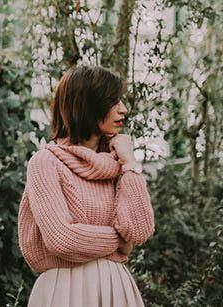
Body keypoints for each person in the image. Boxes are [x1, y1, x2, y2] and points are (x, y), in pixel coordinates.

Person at [18, 64, 155, 306]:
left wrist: (130, 163)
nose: (123, 109)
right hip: (65, 291)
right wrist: (119, 241)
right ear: (86, 105)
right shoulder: (46, 162)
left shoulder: (118, 165)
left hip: (116, 288)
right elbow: (62, 239)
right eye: (113, 101)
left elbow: (139, 232)